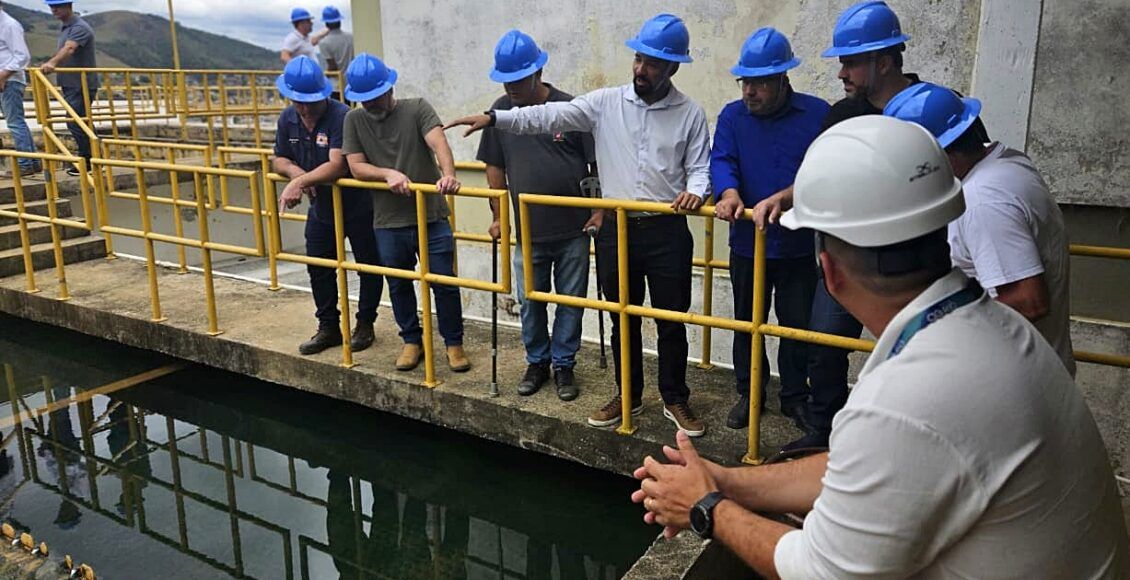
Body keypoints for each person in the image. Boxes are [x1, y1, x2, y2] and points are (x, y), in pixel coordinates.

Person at [631, 116, 1130, 579]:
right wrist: (729, 481)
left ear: (827, 270)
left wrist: (706, 508)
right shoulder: (986, 323)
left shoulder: (911, 398)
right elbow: (856, 464)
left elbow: (821, 572)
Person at [446, 13, 712, 436]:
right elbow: (547, 116)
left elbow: (700, 167)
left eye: (653, 63)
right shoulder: (606, 103)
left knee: (670, 318)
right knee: (619, 317)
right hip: (617, 230)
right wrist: (495, 119)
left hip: (665, 230)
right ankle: (629, 395)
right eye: (639, 59)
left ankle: (675, 398)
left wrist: (697, 190)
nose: (642, 70)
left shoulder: (689, 113)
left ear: (673, 68)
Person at [755, 0, 988, 451]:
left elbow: (965, 174)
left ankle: (917, 438)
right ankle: (825, 435)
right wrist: (782, 198)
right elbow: (815, 176)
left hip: (914, 263)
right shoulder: (844, 115)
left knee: (918, 350)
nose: (842, 74)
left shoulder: (934, 109)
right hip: (846, 253)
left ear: (884, 61)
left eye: (851, 63)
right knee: (824, 344)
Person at [885, 82, 1076, 375]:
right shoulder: (1005, 161)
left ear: (939, 155)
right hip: (1033, 374)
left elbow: (1029, 301)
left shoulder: (982, 200)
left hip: (1012, 382)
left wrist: (934, 330)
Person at [710, 27, 827, 431]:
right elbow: (722, 160)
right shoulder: (731, 117)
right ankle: (750, 393)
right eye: (746, 82)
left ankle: (794, 396)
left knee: (797, 326)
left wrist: (786, 197)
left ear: (783, 80)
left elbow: (826, 172)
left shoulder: (816, 115)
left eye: (760, 83)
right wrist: (728, 193)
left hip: (797, 244)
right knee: (747, 322)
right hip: (748, 243)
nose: (750, 92)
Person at [477, 29, 598, 401]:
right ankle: (537, 362)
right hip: (527, 233)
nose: (511, 86)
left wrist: (597, 210)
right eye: (506, 79)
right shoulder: (500, 112)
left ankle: (564, 365)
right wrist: (499, 215)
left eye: (518, 79)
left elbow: (594, 165)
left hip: (573, 229)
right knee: (530, 302)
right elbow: (494, 169)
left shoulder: (570, 108)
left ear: (538, 73)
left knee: (571, 301)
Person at [341, 53, 470, 373]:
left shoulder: (417, 108)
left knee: (444, 282)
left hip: (431, 215)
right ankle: (412, 341)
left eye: (373, 97)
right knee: (398, 284)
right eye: (362, 99)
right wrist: (387, 174)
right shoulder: (354, 120)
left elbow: (439, 143)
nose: (368, 103)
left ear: (389, 89)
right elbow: (356, 167)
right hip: (388, 221)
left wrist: (449, 174)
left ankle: (454, 344)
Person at [272, 56, 382, 356]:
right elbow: (279, 158)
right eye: (298, 101)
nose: (304, 108)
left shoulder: (342, 116)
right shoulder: (288, 119)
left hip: (358, 207)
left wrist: (298, 183)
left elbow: (337, 165)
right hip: (321, 209)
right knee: (319, 267)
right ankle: (328, 326)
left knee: (368, 266)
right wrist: (298, 177)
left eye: (310, 101)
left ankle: (365, 323)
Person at [39, 0, 96, 177]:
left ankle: (88, 161)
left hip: (81, 84)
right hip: (71, 83)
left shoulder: (80, 27)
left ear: (69, 6)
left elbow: (70, 49)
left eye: (57, 6)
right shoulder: (66, 28)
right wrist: (48, 62)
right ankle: (95, 159)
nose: (53, 10)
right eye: (51, 6)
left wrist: (52, 63)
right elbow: (63, 49)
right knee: (82, 122)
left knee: (75, 121)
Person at [0, 0, 39, 178]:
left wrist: (3, 75)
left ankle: (25, 164)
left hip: (10, 80)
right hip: (5, 79)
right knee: (16, 121)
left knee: (15, 122)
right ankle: (32, 161)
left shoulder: (9, 25)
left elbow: (22, 56)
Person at [317, 5, 352, 103]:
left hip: (337, 86)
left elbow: (332, 66)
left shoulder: (324, 42)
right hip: (351, 83)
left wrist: (323, 77)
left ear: (326, 24)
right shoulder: (351, 37)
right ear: (340, 22)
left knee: (339, 114)